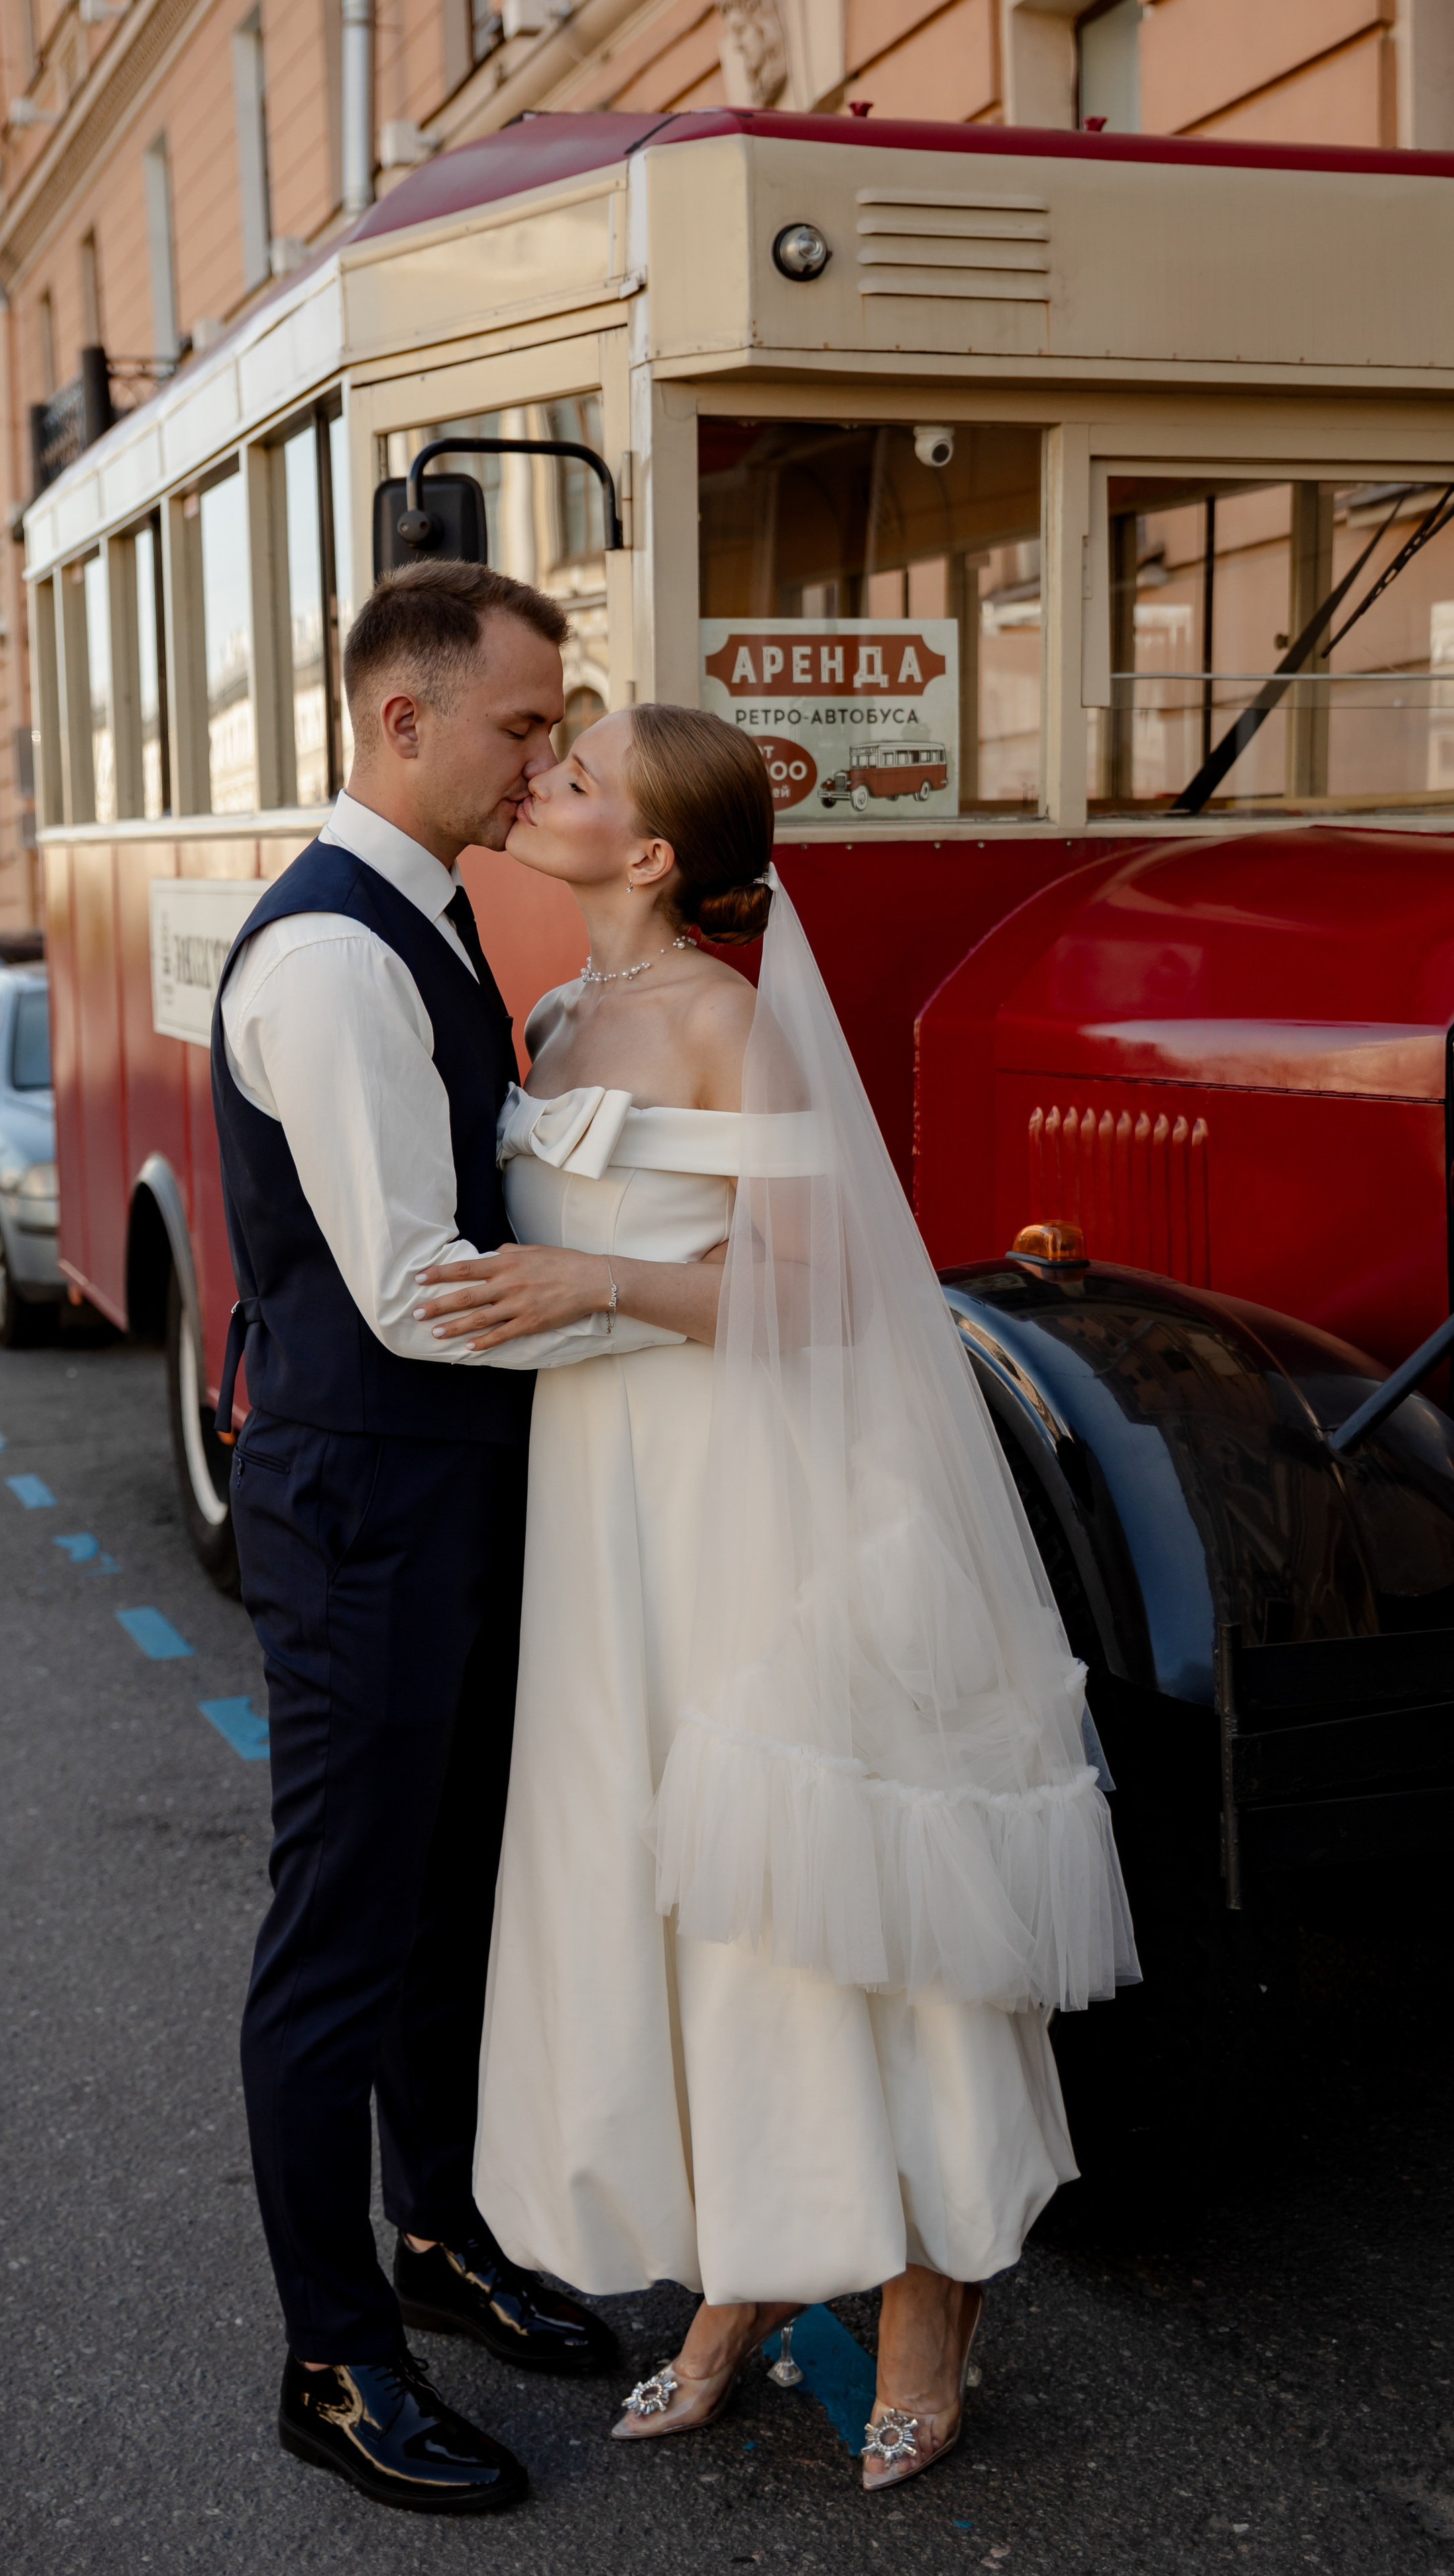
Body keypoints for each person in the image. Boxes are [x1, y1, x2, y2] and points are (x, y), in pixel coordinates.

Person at [414, 704, 1137, 2491]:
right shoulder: (561, 1016)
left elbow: (819, 1288)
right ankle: (742, 2266)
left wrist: (590, 1274)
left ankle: (923, 2292)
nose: (541, 788)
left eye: (577, 780)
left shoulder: (731, 1020)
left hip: (741, 1487)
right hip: (605, 1506)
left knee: (793, 1888)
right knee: (662, 1890)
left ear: (653, 854)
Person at [211, 564, 715, 2516]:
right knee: (340, 1932)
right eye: (521, 726)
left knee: (447, 1902)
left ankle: (436, 2238)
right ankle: (332, 2362)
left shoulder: (423, 917)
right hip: (363, 1500)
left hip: (451, 1485)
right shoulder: (331, 953)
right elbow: (423, 1292)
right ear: (402, 720)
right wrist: (660, 1300)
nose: (540, 761)